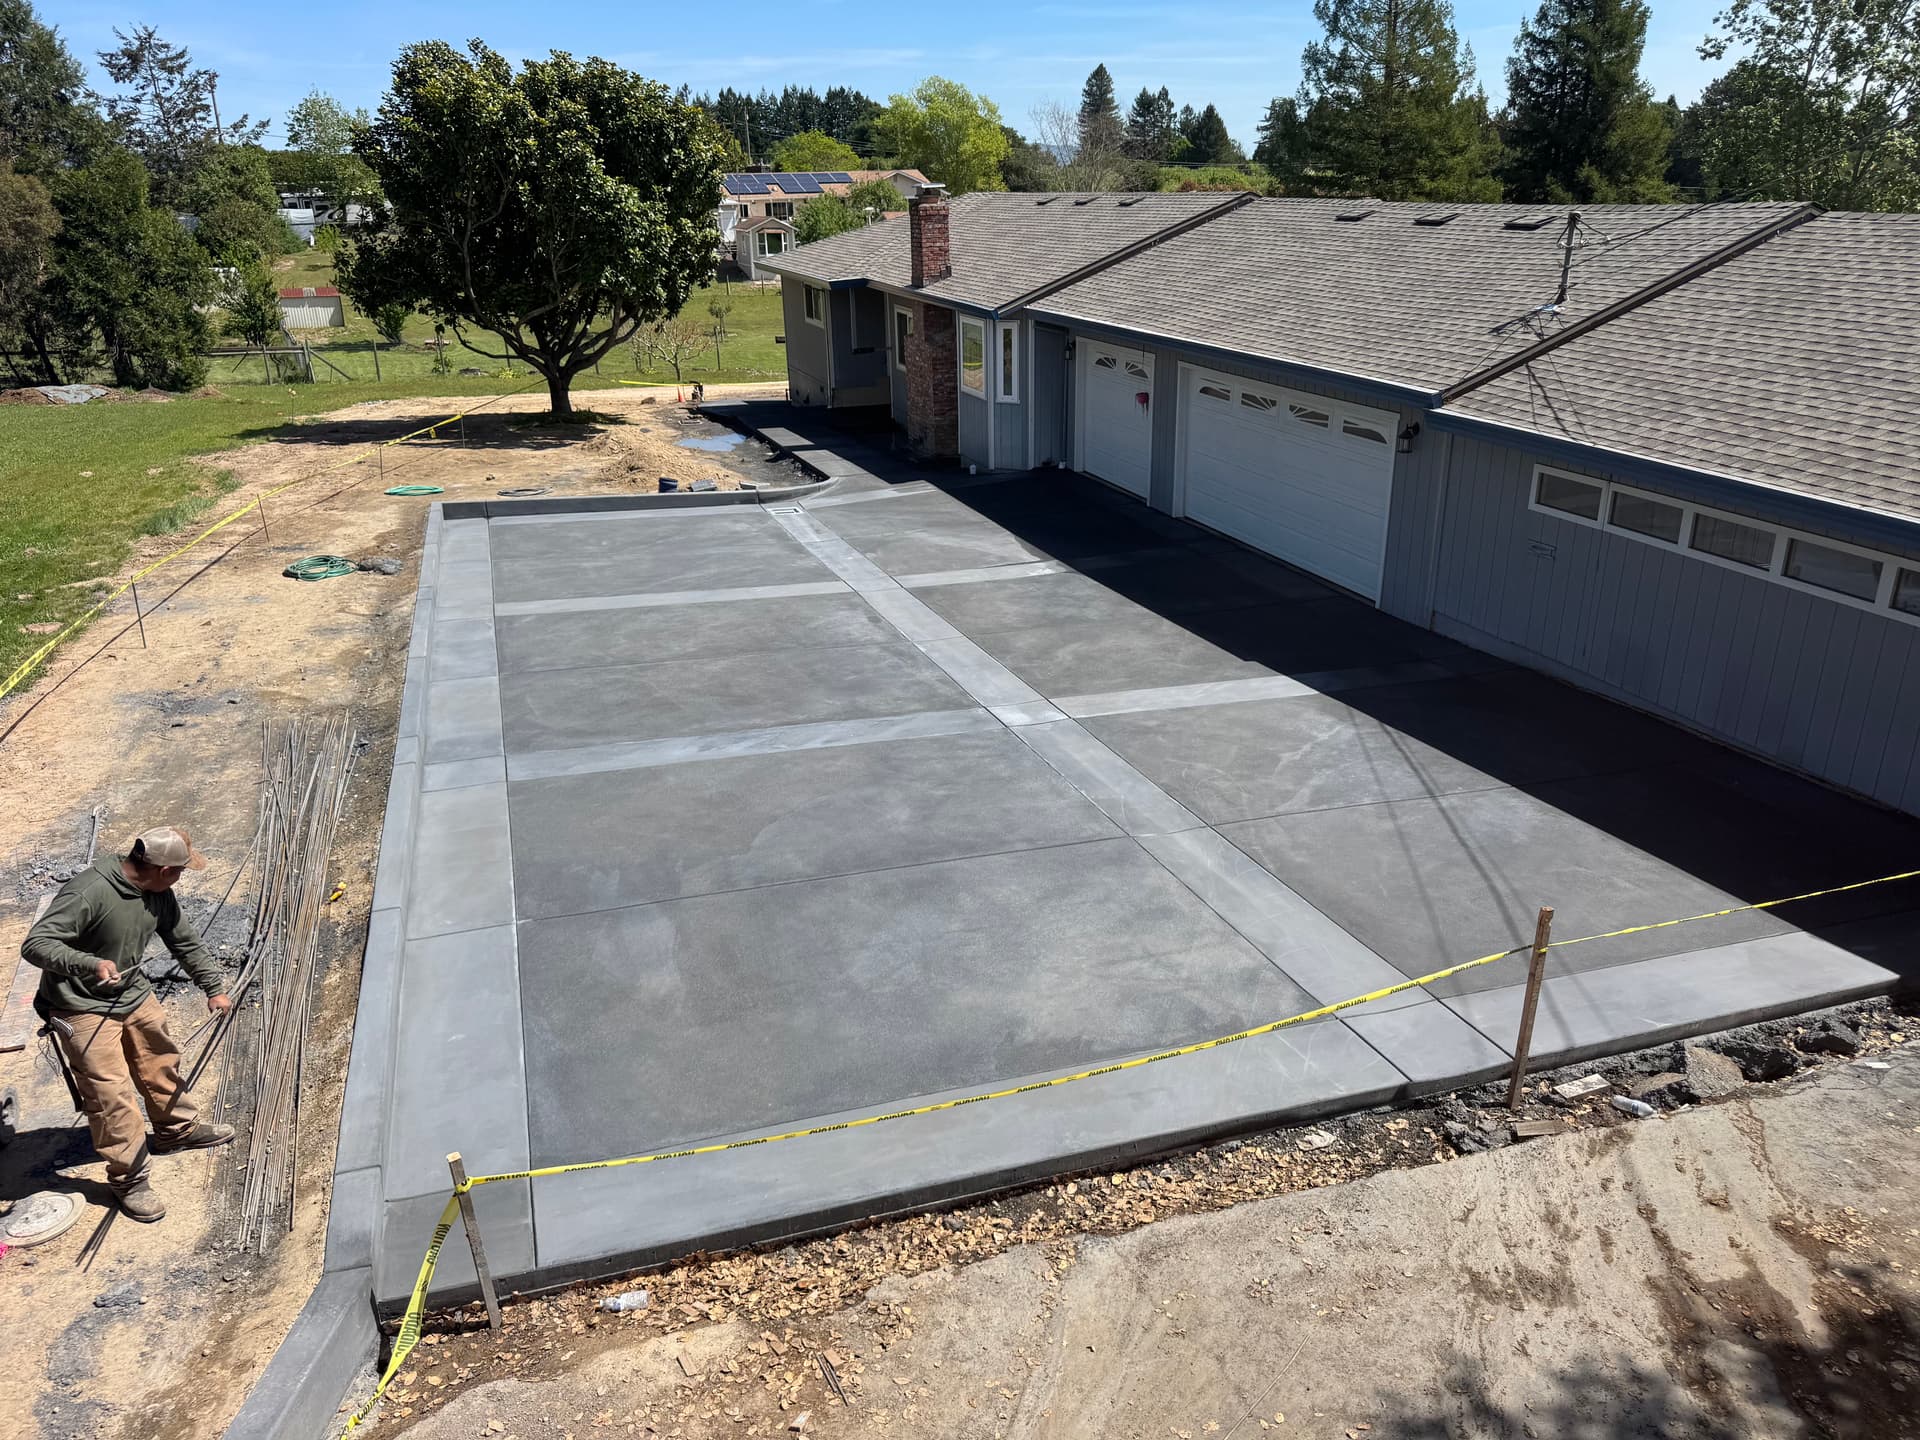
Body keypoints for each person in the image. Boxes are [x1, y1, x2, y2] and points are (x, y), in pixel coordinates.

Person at [21, 826, 235, 1221]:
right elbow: (36, 944)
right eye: (181, 870)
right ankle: (129, 1178)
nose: (182, 877)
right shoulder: (89, 892)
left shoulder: (157, 894)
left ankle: (177, 1131)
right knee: (110, 1096)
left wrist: (213, 987)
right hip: (79, 1006)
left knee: (161, 1061)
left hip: (132, 994)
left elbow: (183, 940)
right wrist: (90, 964)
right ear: (163, 868)